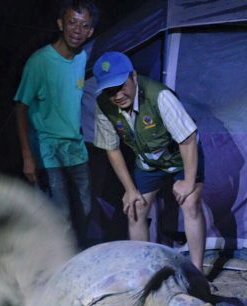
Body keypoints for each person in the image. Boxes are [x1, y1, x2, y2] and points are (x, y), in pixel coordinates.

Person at [92, 51, 206, 272]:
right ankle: (141, 272)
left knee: (191, 203)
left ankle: (197, 272)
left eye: (121, 85)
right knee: (134, 208)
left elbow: (188, 140)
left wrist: (189, 182)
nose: (117, 95)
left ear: (133, 76)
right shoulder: (103, 105)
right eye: (109, 90)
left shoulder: (159, 96)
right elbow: (111, 148)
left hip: (180, 157)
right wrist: (130, 189)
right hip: (148, 161)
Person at [14, 0, 99, 248]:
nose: (77, 30)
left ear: (91, 31)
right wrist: (27, 156)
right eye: (72, 22)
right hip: (47, 148)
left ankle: (75, 261)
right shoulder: (39, 61)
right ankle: (56, 269)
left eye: (84, 26)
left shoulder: (83, 57)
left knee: (84, 210)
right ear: (61, 24)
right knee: (59, 216)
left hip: (76, 147)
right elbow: (20, 107)